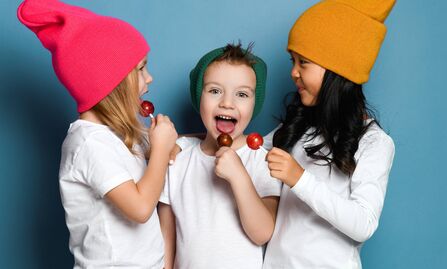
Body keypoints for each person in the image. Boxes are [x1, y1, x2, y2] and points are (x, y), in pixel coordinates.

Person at [17, 0, 177, 268]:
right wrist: (160, 150)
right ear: (111, 84)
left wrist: (167, 144)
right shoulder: (88, 143)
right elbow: (139, 208)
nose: (149, 78)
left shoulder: (120, 134)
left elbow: (163, 155)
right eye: (140, 69)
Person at [262, 0, 396, 268]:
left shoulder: (374, 143)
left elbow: (364, 224)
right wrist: (188, 143)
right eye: (293, 61)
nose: (293, 72)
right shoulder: (300, 128)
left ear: (338, 70)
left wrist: (299, 179)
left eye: (304, 63)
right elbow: (249, 150)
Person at [158, 43, 282, 269]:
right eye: (215, 91)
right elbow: (166, 242)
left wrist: (239, 177)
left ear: (255, 104)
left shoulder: (262, 161)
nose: (227, 102)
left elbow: (262, 233)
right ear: (199, 97)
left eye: (242, 94)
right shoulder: (177, 160)